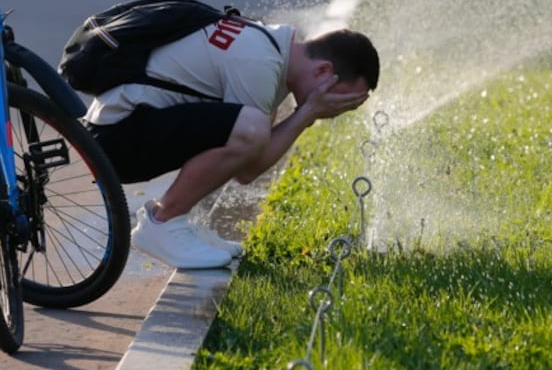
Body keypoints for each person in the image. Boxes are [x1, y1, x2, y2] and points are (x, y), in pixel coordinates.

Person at [84, 14, 380, 269]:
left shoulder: (271, 44)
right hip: (117, 139)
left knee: (249, 128)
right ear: (323, 71)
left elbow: (242, 155)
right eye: (342, 97)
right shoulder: (261, 62)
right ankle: (163, 222)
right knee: (251, 128)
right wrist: (308, 113)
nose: (338, 109)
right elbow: (249, 167)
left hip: (124, 125)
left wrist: (306, 111)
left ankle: (178, 221)